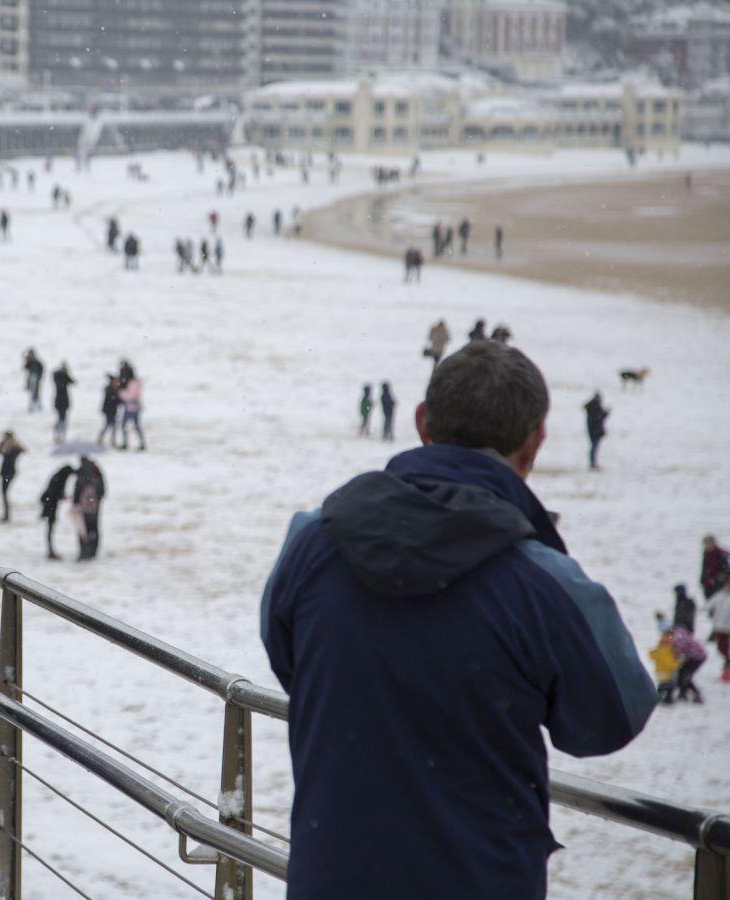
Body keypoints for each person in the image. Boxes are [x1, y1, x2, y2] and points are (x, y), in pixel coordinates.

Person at [260, 340, 656, 899]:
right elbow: (611, 718)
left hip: (330, 874)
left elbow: (287, 657)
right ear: (534, 442)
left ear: (422, 423)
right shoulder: (544, 581)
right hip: (479, 879)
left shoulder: (311, 539)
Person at [39, 465, 77, 560]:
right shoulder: (60, 479)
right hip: (50, 505)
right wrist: (62, 496)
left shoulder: (58, 476)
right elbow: (55, 493)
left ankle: (51, 550)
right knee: (50, 528)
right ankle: (50, 551)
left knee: (50, 528)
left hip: (50, 504)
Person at [72, 455, 106, 561]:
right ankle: (93, 551)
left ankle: (84, 552)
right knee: (94, 528)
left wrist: (75, 502)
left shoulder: (82, 472)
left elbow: (77, 489)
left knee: (83, 529)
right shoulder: (96, 470)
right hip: (95, 505)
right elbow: (102, 489)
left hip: (83, 506)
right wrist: (98, 499)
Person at [0, 431, 26, 522]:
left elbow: (22, 450)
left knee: (4, 494)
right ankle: (6, 514)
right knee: (4, 494)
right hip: (6, 472)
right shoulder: (6, 446)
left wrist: (10, 445)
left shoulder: (13, 448)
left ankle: (6, 515)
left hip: (8, 473)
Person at [669, 625, 706, 703]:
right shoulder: (679, 632)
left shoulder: (677, 638)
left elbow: (677, 653)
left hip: (697, 657)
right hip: (692, 656)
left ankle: (696, 694)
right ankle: (683, 693)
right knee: (681, 673)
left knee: (685, 675)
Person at [117, 365, 145, 451]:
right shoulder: (136, 382)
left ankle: (129, 443)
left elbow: (130, 396)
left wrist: (120, 392)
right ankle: (141, 443)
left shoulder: (132, 383)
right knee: (135, 426)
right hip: (133, 406)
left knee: (128, 426)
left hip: (131, 407)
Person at [650, 631, 679, 704]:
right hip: (661, 669)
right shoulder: (660, 646)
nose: (666, 639)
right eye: (664, 637)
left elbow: (675, 658)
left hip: (670, 670)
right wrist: (652, 653)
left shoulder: (672, 647)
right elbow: (655, 655)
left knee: (670, 684)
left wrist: (676, 665)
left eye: (668, 637)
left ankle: (668, 698)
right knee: (662, 684)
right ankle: (658, 697)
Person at [584, 391, 609, 470]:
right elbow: (598, 419)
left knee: (593, 447)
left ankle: (593, 463)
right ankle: (593, 463)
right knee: (594, 448)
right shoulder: (596, 408)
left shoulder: (591, 408)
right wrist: (605, 414)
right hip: (596, 431)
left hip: (592, 431)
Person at [52, 361, 75, 443]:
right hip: (60, 401)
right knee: (60, 419)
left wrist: (66, 374)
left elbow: (73, 382)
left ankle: (61, 436)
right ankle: (58, 436)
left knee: (63, 420)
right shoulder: (59, 376)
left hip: (64, 401)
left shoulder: (64, 377)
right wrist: (64, 374)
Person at [701, 535, 729, 600]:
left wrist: (721, 578)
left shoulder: (720, 554)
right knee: (710, 603)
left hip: (719, 584)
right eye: (705, 544)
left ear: (713, 543)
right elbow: (704, 568)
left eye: (708, 544)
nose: (706, 546)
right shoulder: (706, 554)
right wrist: (702, 579)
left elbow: (726, 568)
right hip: (708, 584)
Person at [97, 374, 120, 447]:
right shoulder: (109, 389)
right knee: (108, 425)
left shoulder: (114, 389)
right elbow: (113, 400)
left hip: (113, 411)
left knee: (112, 426)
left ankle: (111, 440)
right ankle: (103, 439)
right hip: (108, 411)